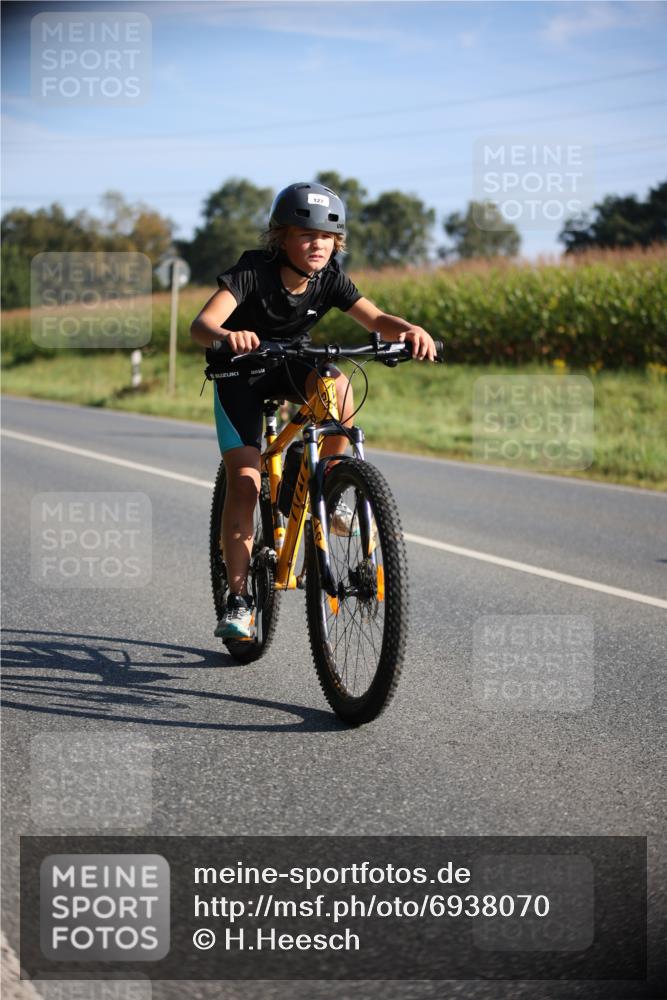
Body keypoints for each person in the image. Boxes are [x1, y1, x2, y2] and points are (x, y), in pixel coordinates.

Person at [190, 181, 437, 640]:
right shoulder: (252, 271)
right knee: (245, 483)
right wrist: (228, 336)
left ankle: (328, 484)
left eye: (326, 236)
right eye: (306, 235)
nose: (318, 245)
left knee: (337, 385)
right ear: (281, 238)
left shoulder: (330, 278)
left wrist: (409, 329)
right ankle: (239, 600)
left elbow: (376, 319)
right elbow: (202, 324)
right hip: (240, 371)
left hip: (290, 361)